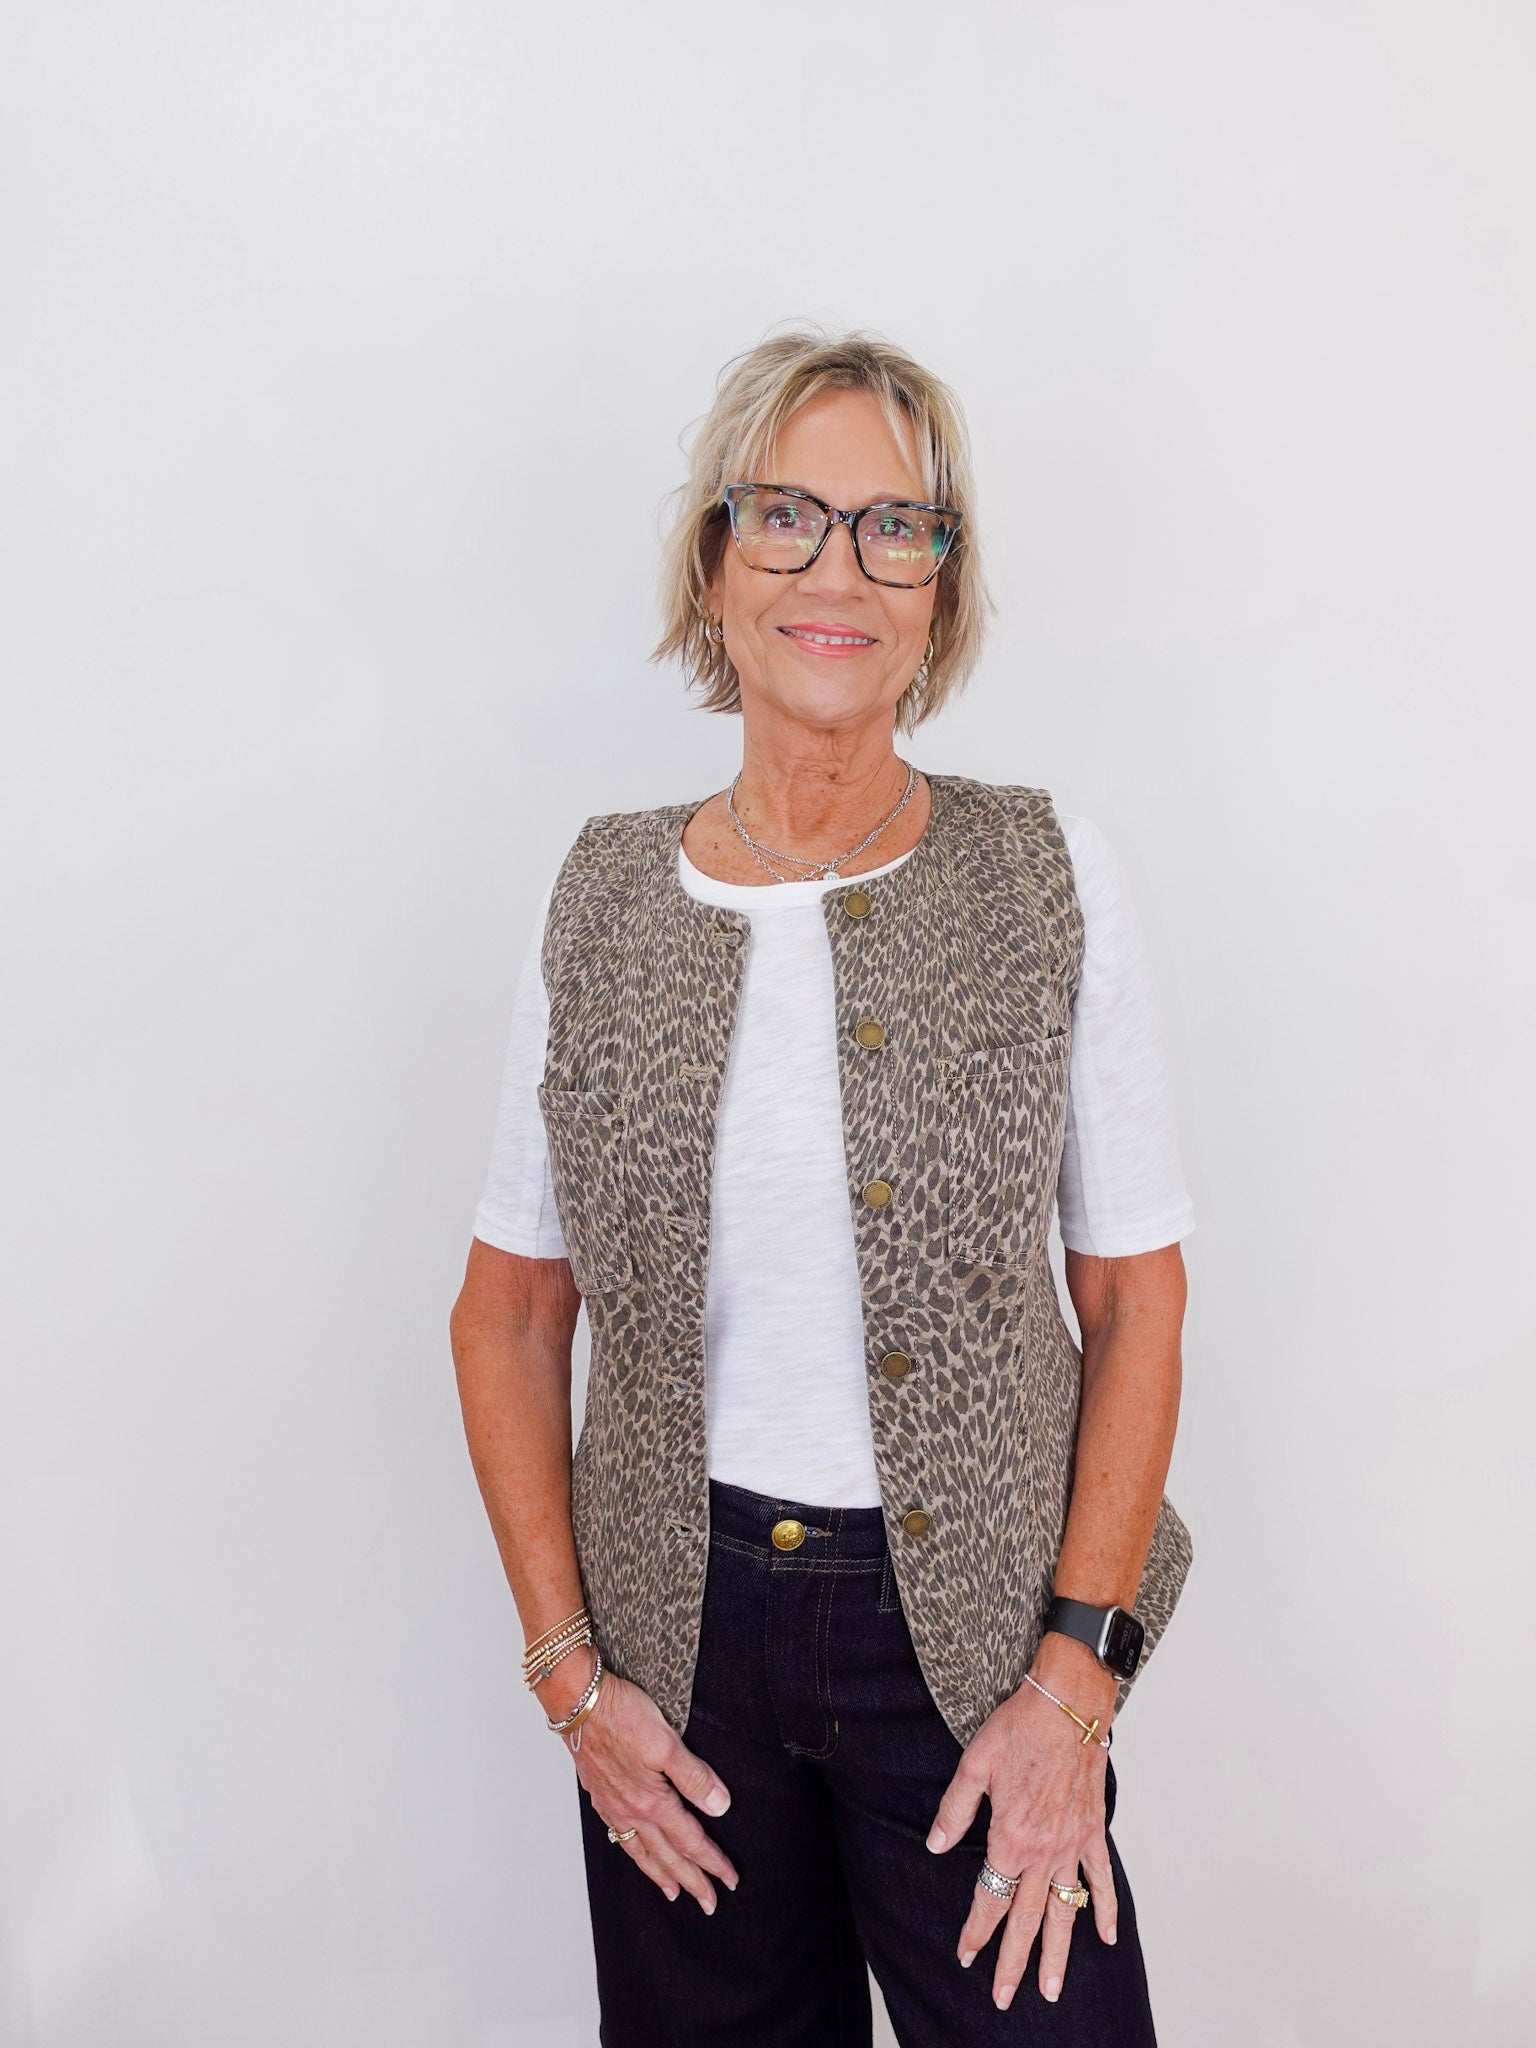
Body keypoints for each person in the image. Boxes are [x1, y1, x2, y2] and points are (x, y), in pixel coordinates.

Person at [449, 325, 1196, 2046]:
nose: (836, 568)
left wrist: (1076, 1682)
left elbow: (1137, 1293)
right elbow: (507, 1308)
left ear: (942, 587)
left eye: (894, 526)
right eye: (786, 516)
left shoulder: (1045, 872)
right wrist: (573, 1678)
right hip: (676, 1658)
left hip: (983, 1648)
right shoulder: (602, 898)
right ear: (715, 565)